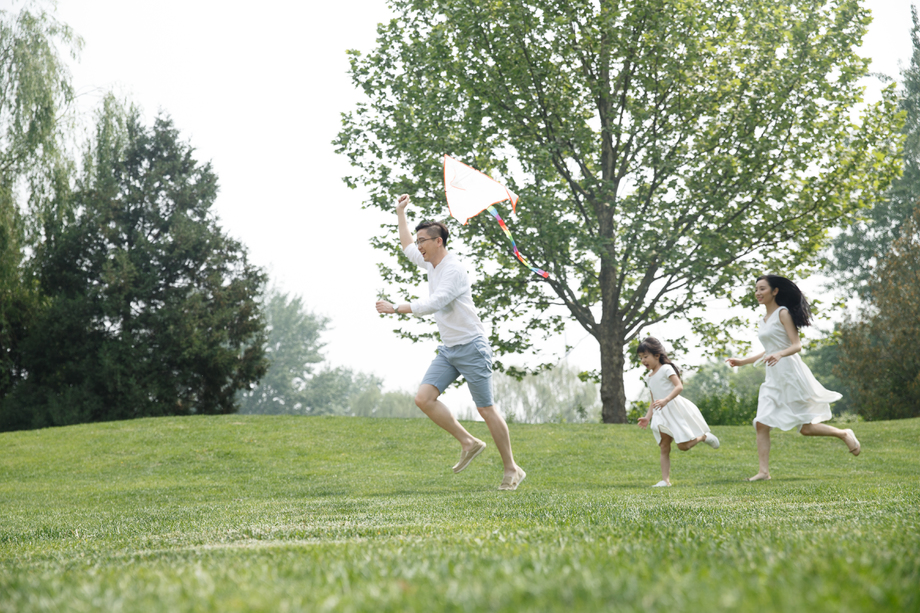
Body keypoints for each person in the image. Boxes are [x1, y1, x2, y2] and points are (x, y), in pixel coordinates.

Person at [375, 194, 526, 490]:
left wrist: (396, 307)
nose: (418, 245)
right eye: (418, 240)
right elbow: (406, 247)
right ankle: (469, 442)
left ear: (438, 241)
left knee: (486, 409)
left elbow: (436, 302)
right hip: (449, 350)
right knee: (423, 399)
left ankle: (512, 469)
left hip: (472, 347)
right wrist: (400, 212)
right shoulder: (432, 264)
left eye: (423, 240)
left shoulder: (453, 269)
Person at [726, 274, 860, 482]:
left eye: (762, 289)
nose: (758, 293)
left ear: (775, 291)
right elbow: (769, 350)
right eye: (756, 289)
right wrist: (742, 361)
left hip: (790, 374)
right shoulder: (764, 320)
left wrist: (780, 354)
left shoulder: (783, 313)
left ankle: (844, 433)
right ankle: (763, 472)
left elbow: (796, 345)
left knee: (806, 429)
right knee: (761, 423)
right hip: (773, 377)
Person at [636, 337, 720, 487]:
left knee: (683, 446)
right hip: (661, 414)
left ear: (657, 355)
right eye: (641, 357)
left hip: (674, 410)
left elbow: (679, 386)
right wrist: (648, 417)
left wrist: (666, 400)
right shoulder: (648, 377)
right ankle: (665, 481)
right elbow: (653, 399)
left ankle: (703, 437)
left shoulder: (666, 369)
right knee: (664, 446)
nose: (643, 360)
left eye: (645, 356)